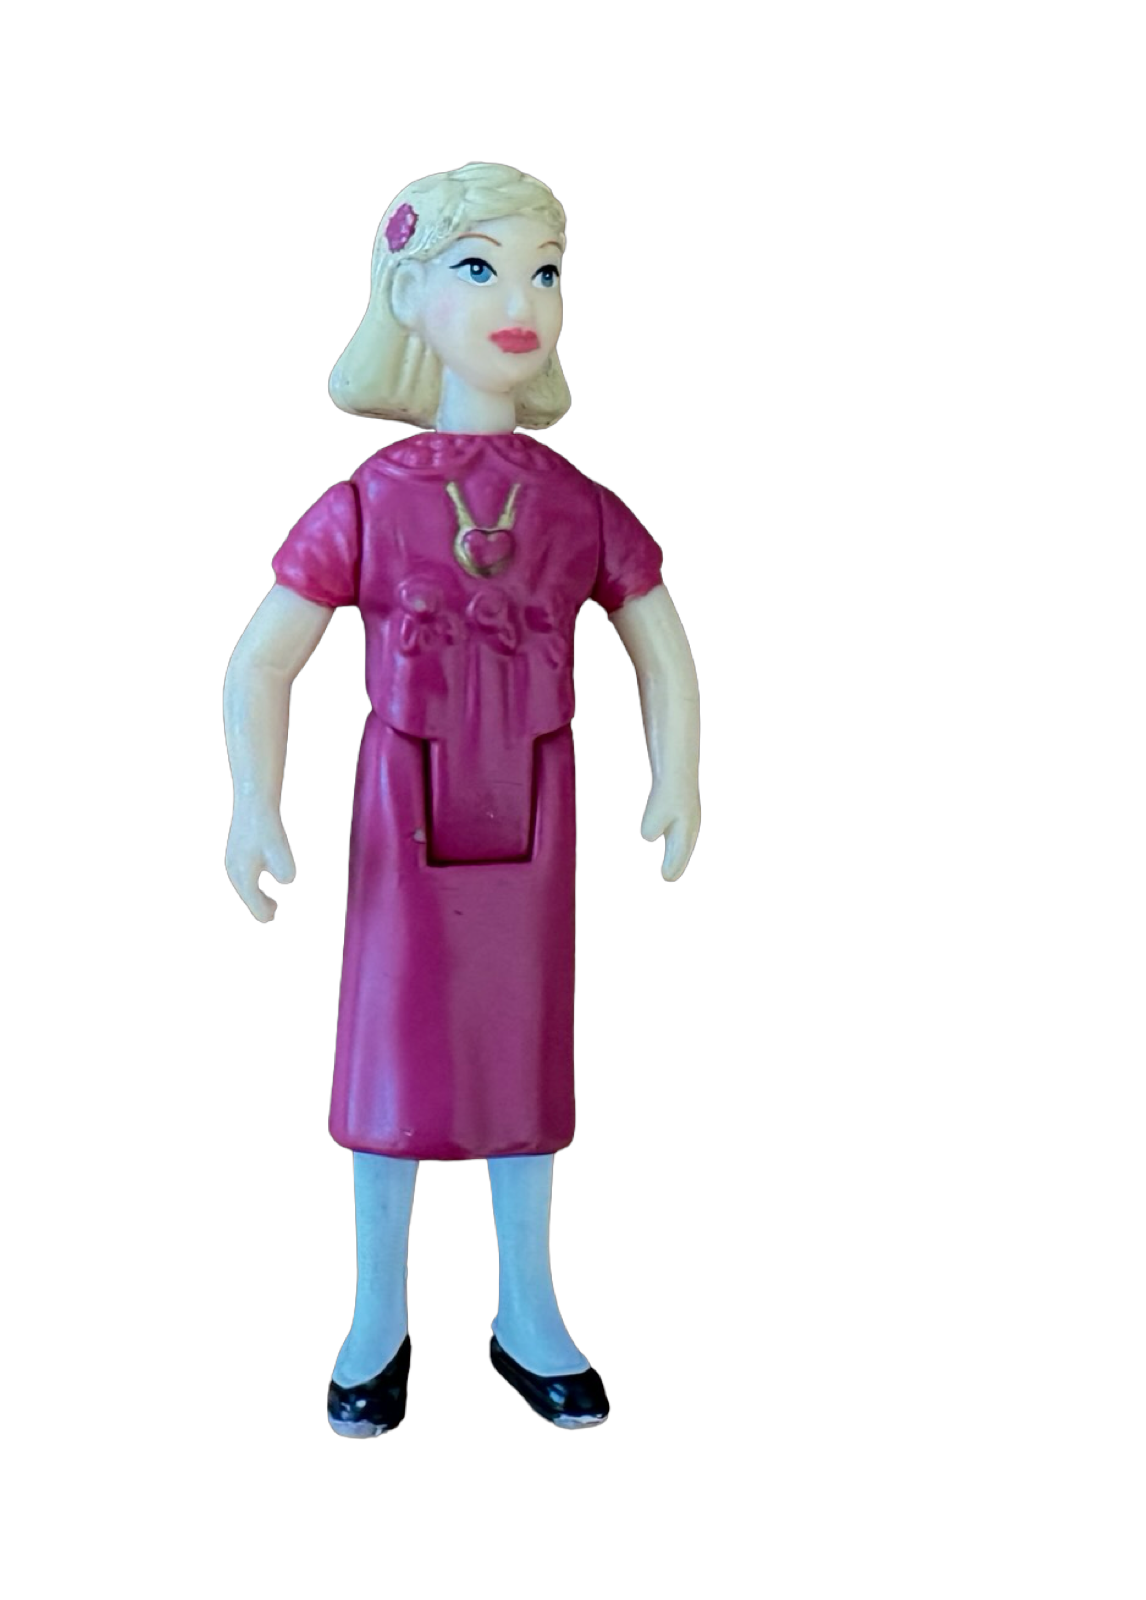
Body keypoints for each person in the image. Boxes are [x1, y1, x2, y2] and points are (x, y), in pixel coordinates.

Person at [222, 162, 701, 1436]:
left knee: (524, 1056)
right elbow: (263, 659)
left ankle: (526, 1304)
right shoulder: (368, 501)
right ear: (407, 294)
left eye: (544, 273)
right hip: (404, 812)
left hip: (536, 808)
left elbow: (658, 641)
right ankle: (376, 1309)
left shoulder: (575, 502)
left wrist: (680, 772)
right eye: (479, 269)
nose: (519, 302)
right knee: (387, 1053)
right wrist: (253, 802)